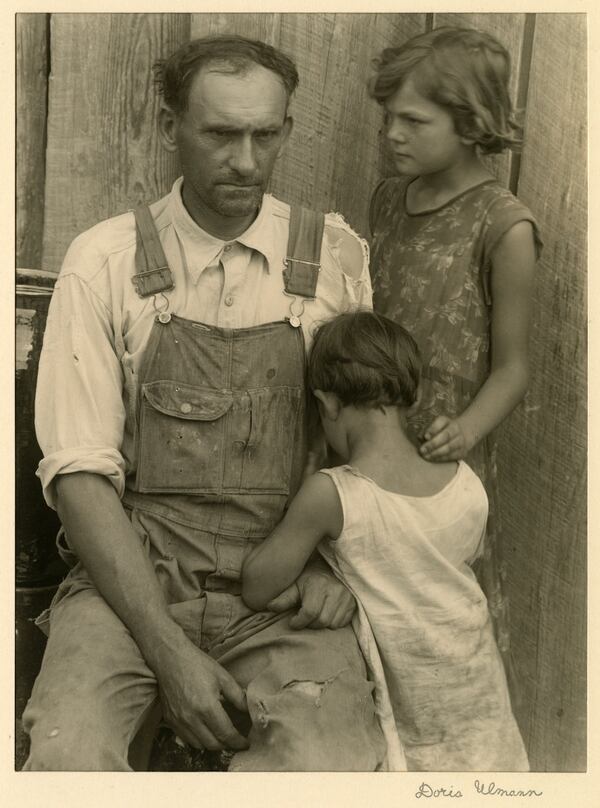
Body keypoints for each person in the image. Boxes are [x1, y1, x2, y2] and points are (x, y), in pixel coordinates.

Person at [23, 35, 386, 771]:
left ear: (286, 128)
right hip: (134, 580)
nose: (246, 162)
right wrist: (168, 652)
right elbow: (79, 477)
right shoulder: (104, 263)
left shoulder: (335, 264)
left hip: (286, 589)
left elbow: (366, 456)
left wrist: (329, 570)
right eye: (221, 134)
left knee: (328, 766)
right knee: (69, 755)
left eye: (266, 134)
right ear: (170, 128)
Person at [242, 310, 529, 771]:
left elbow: (256, 584)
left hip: (417, 716)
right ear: (409, 394)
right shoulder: (466, 483)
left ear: (328, 404)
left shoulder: (334, 493)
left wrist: (311, 462)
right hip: (482, 703)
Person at [367, 26, 542, 674]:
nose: (392, 134)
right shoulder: (390, 197)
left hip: (444, 460)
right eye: (388, 118)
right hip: (373, 445)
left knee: (432, 625)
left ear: (471, 123)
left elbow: (515, 367)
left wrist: (465, 430)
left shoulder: (505, 226)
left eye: (413, 120)